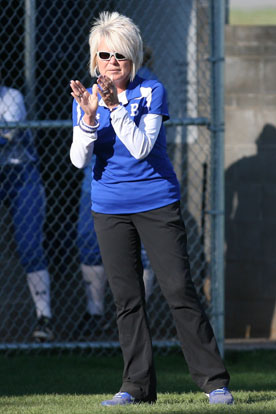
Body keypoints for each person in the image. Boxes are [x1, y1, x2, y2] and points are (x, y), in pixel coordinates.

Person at [69, 11, 233, 406]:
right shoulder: (86, 98)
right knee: (127, 298)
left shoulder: (151, 90)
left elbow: (141, 148)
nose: (112, 63)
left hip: (156, 202)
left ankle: (214, 382)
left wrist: (116, 106)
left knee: (178, 289)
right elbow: (78, 159)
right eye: (105, 55)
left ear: (134, 59)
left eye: (121, 56)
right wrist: (90, 118)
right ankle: (136, 387)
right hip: (108, 208)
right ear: (95, 60)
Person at [75, 155, 154, 338]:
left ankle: (137, 318)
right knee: (89, 242)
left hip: (141, 182)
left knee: (141, 252)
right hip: (98, 180)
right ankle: (94, 314)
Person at [0, 83, 53, 342]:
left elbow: (6, 135)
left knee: (30, 246)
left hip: (21, 175)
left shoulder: (12, 97)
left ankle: (45, 318)